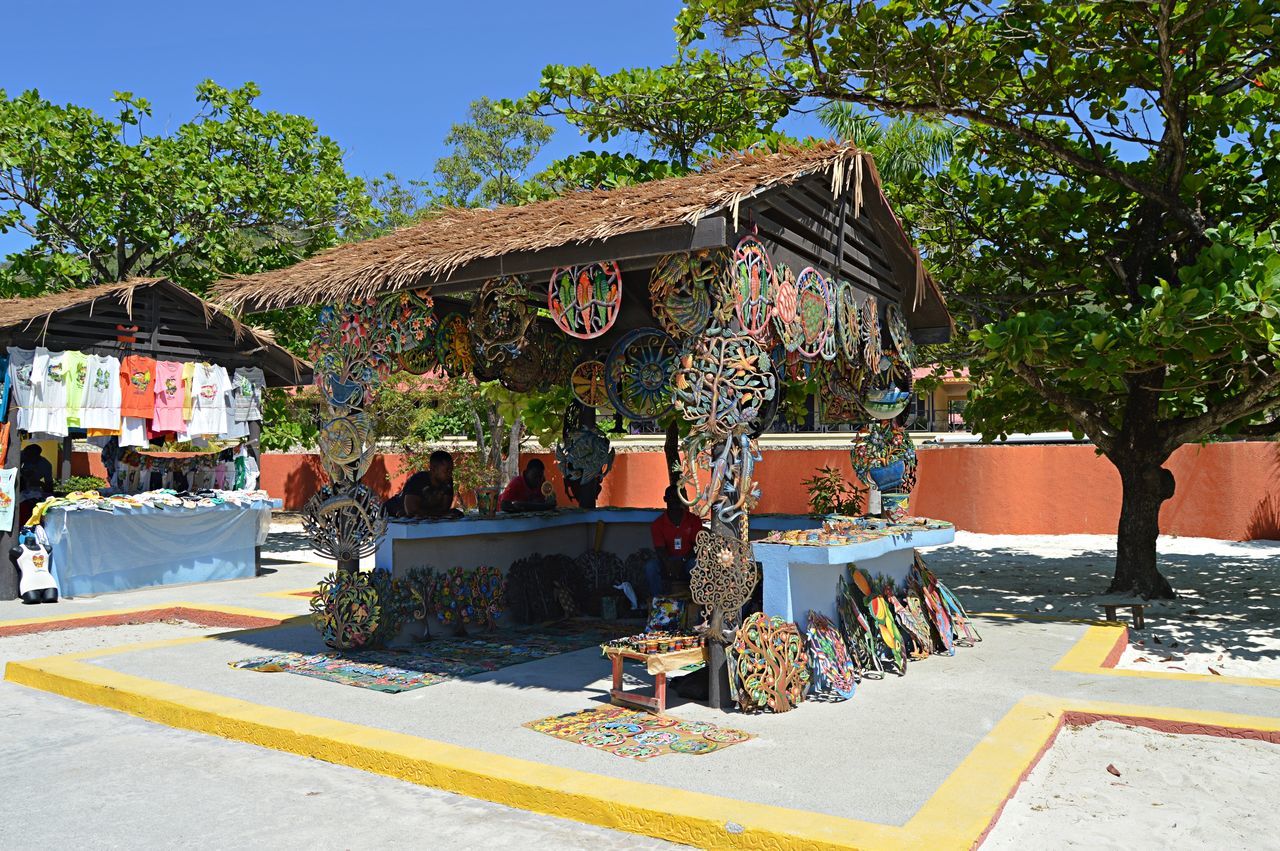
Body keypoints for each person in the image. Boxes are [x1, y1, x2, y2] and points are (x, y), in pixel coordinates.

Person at [645, 486, 704, 600]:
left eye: (678, 497)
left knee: (696, 565)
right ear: (665, 499)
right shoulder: (658, 524)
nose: (675, 500)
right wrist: (669, 565)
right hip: (668, 560)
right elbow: (660, 549)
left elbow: (697, 546)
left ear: (683, 499)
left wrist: (682, 561)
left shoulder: (694, 520)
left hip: (688, 560)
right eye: (671, 497)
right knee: (650, 567)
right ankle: (658, 601)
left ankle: (697, 601)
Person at [387, 450, 461, 518]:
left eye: (451, 470)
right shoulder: (418, 480)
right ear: (433, 469)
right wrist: (440, 514)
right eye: (446, 470)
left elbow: (444, 509)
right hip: (389, 513)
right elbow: (412, 511)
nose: (450, 474)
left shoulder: (447, 481)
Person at [18, 445, 55, 527]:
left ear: (37, 455)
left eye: (30, 456)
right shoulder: (19, 456)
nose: (26, 457)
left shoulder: (45, 465)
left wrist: (40, 484)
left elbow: (49, 485)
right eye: (25, 455)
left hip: (33, 492)